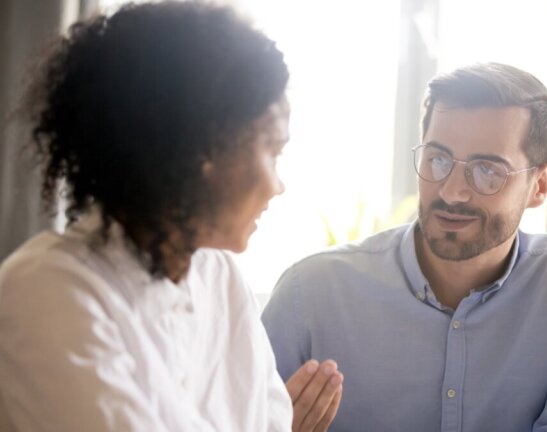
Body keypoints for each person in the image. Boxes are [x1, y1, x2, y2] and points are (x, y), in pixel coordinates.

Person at [0, 3, 342, 431]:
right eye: (272, 151)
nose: (278, 186)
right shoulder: (47, 288)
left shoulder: (221, 278)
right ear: (202, 148)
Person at [263, 62, 547, 431]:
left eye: (487, 170)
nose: (452, 192)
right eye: (438, 159)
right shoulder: (308, 294)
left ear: (539, 185)